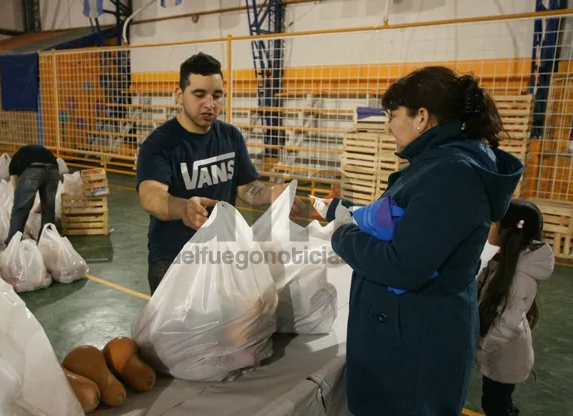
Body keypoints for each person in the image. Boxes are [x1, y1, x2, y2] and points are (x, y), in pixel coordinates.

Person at [324, 66, 524, 415]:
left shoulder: (451, 175)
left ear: (421, 117)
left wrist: (342, 236)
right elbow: (396, 220)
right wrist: (338, 210)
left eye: (392, 115)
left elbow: (403, 266)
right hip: (408, 332)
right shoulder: (435, 166)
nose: (388, 125)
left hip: (415, 345)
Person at [136, 52, 304, 295]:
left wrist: (271, 194)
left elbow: (245, 187)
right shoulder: (160, 144)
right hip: (174, 260)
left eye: (217, 95)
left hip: (221, 255)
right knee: (176, 333)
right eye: (199, 94)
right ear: (179, 95)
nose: (209, 103)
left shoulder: (230, 137)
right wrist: (184, 208)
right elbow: (151, 196)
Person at [476, 199, 554, 416]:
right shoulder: (506, 260)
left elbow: (506, 324)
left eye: (495, 224)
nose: (492, 228)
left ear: (508, 231)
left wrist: (480, 350)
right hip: (500, 352)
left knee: (494, 404)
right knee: (498, 401)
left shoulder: (519, 276)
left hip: (504, 356)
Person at [5, 144, 59, 245]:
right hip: (53, 169)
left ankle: (12, 244)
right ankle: (46, 242)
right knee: (48, 210)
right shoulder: (36, 151)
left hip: (34, 168)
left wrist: (19, 199)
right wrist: (40, 205)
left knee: (20, 210)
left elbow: (16, 189)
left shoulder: (14, 162)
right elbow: (47, 200)